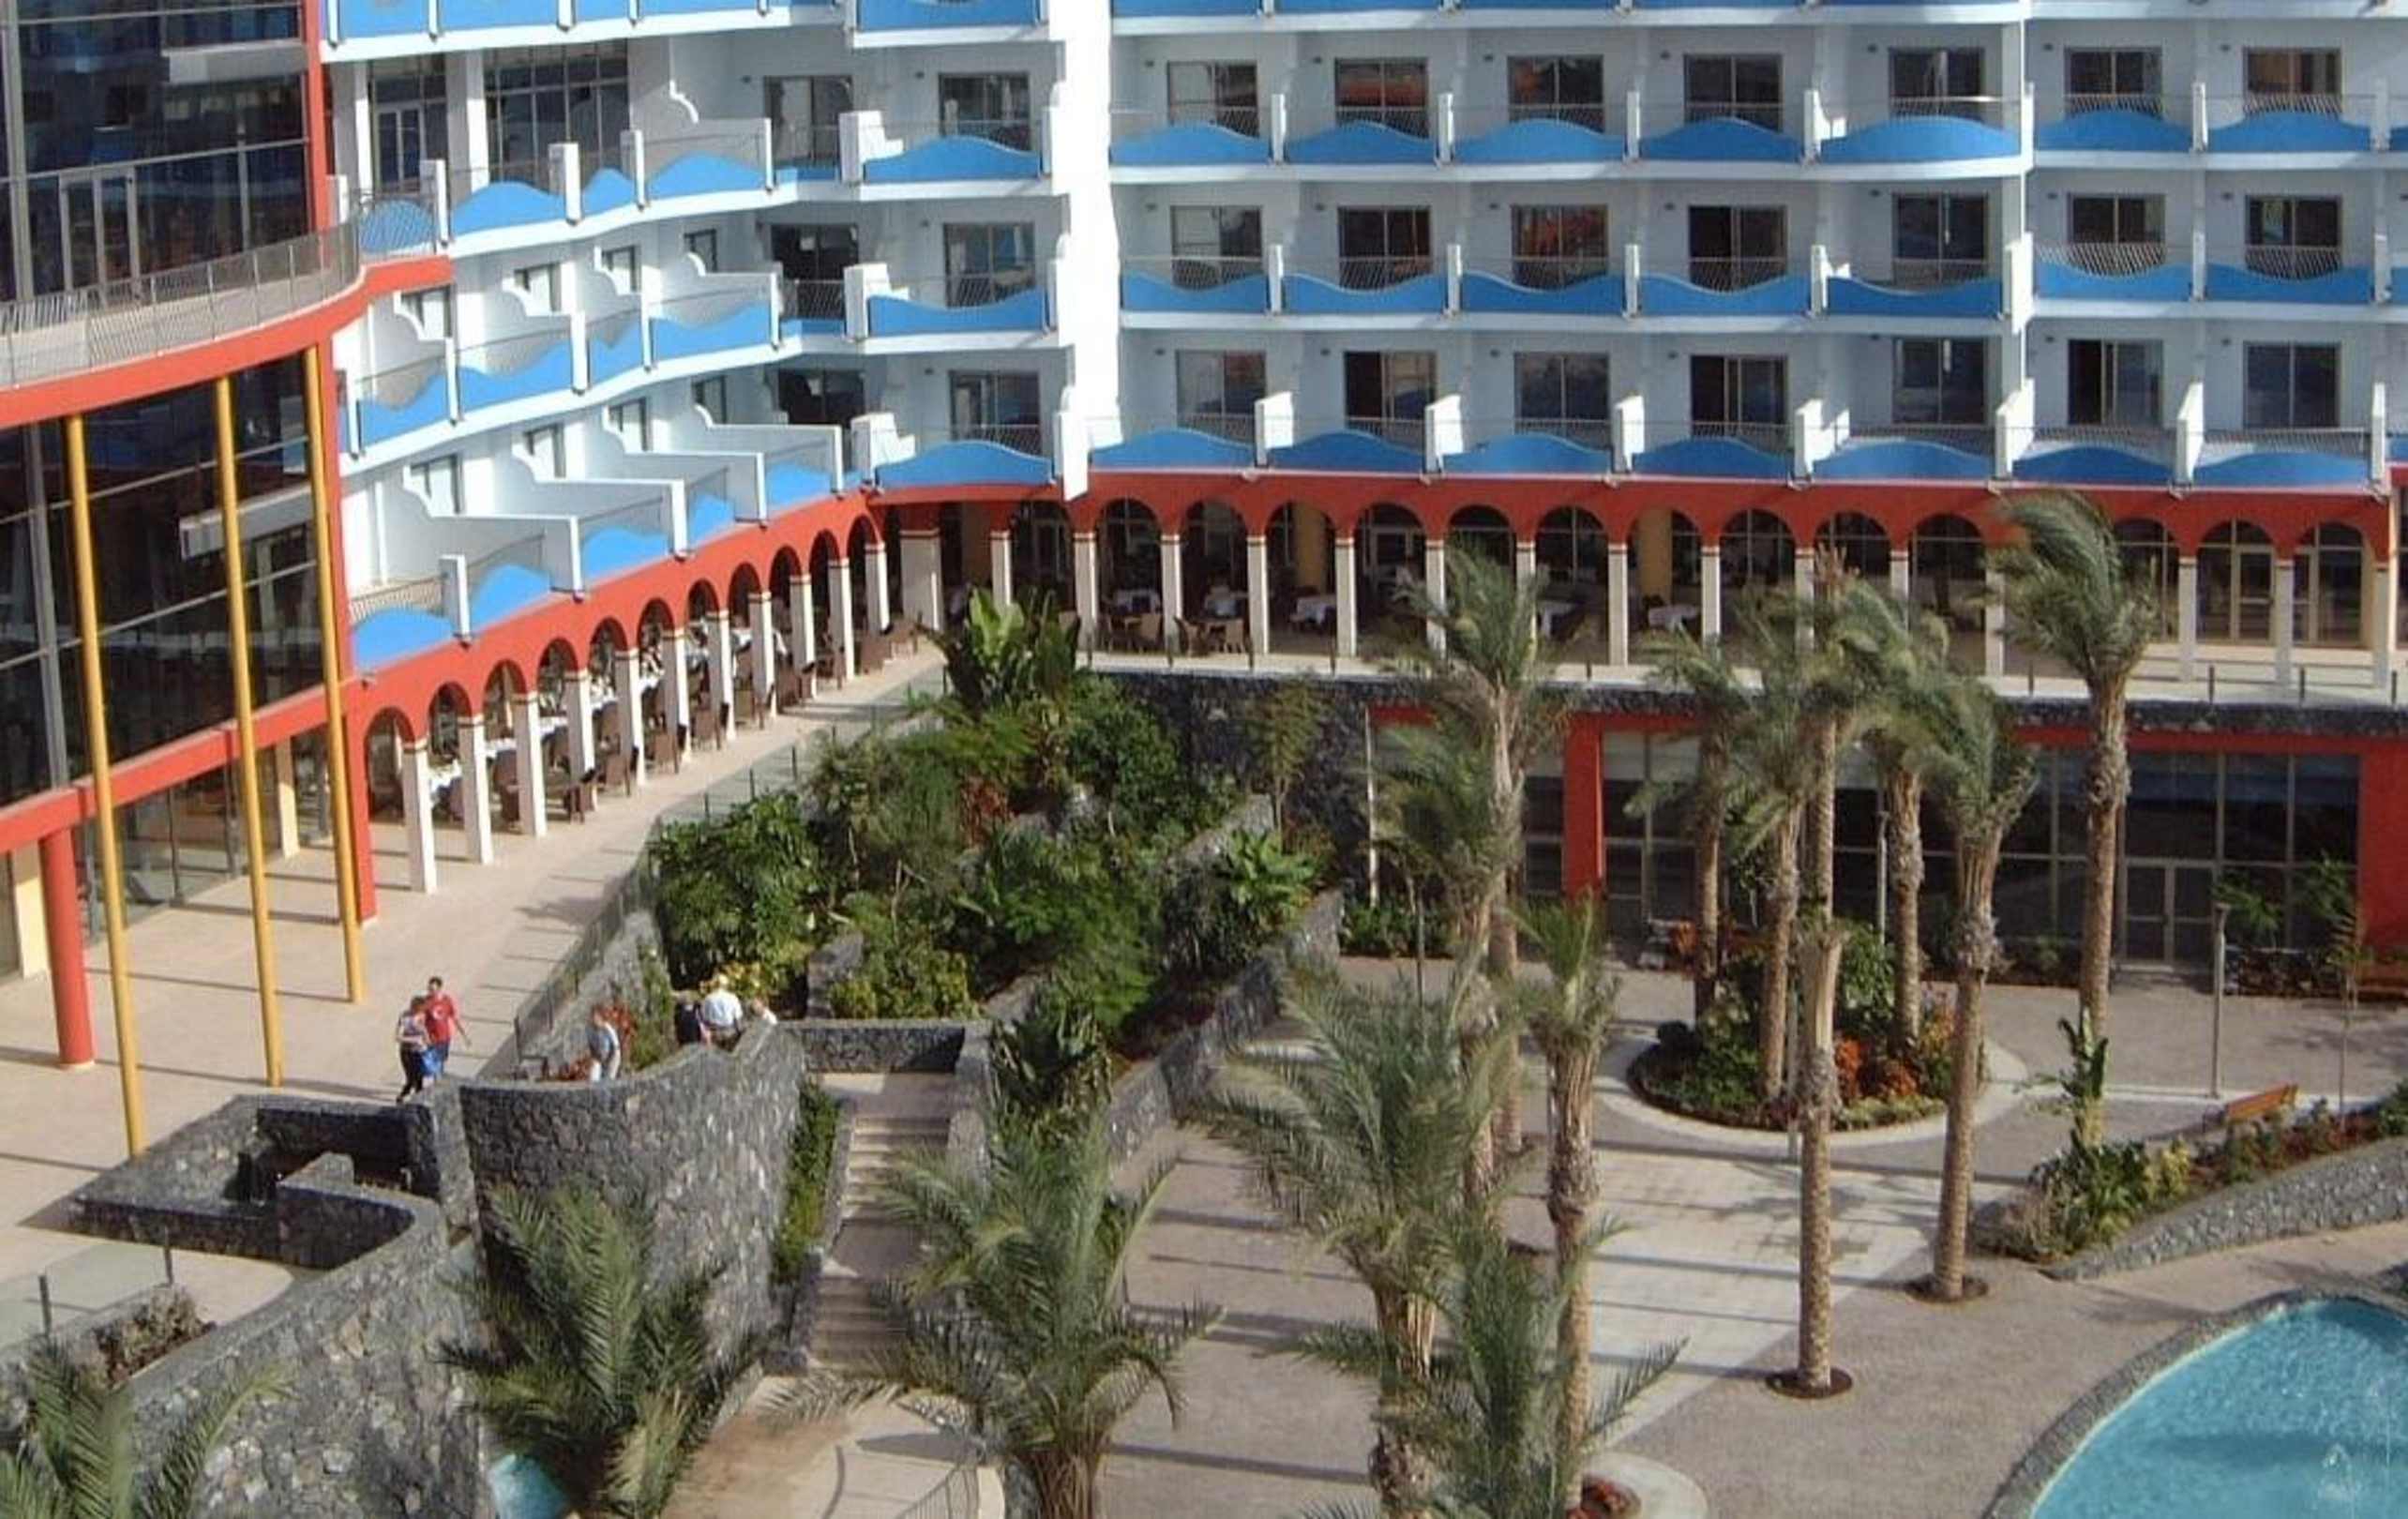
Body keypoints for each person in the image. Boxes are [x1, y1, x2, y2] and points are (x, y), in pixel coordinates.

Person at [420, 976, 465, 1081]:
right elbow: (421, 1020)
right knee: (434, 1060)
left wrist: (463, 1034)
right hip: (432, 1038)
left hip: (444, 1037)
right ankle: (437, 1079)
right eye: (429, 989)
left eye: (433, 989)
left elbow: (453, 1017)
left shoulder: (446, 1000)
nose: (431, 991)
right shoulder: (426, 1002)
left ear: (439, 989)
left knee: (442, 1060)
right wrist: (424, 1036)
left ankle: (439, 1077)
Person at [394, 997, 431, 1103]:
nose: (419, 1013)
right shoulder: (405, 1017)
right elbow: (397, 1036)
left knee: (420, 1077)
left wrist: (427, 1039)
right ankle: (403, 1095)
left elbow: (424, 1030)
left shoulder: (422, 1015)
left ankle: (419, 1099)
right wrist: (414, 1040)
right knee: (411, 1077)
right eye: (418, 1010)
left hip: (419, 1051)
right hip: (407, 1051)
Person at [699, 975, 745, 1048]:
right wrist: (740, 1032)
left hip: (715, 1032)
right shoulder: (732, 997)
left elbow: (704, 1018)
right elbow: (737, 1017)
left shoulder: (708, 999)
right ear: (726, 985)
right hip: (730, 1032)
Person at [587, 1007, 623, 1082]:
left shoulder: (607, 1029)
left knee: (609, 1077)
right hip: (600, 1056)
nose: (594, 1019)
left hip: (613, 1055)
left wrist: (607, 1059)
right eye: (593, 1017)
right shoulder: (590, 1030)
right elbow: (591, 1046)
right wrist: (595, 1057)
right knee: (594, 1073)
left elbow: (614, 1047)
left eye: (596, 1017)